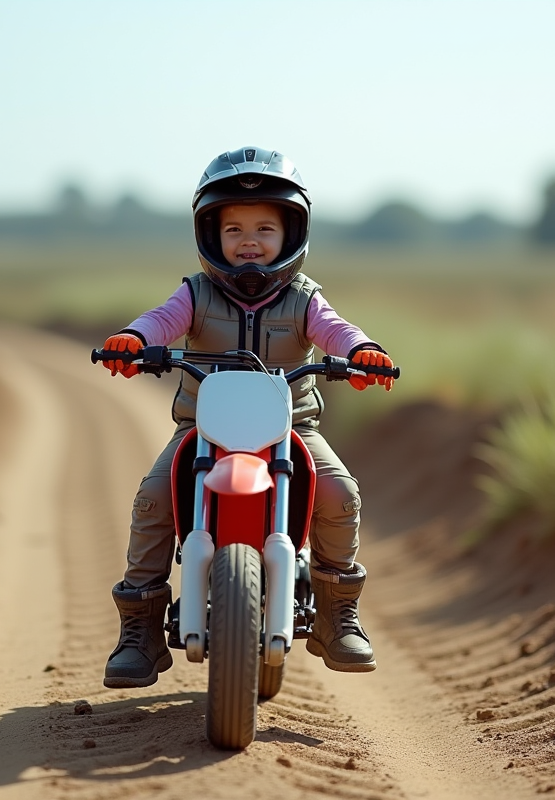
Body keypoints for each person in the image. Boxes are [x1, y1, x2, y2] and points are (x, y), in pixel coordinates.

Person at [96, 146, 395, 689]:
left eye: (264, 228)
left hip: (291, 431)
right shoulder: (196, 292)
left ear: (292, 235)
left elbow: (338, 331)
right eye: (233, 229)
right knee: (154, 497)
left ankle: (336, 612)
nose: (249, 241)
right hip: (202, 430)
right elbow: (162, 319)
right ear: (211, 235)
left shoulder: (304, 298)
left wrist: (361, 351)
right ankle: (138, 626)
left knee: (339, 495)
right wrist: (136, 339)